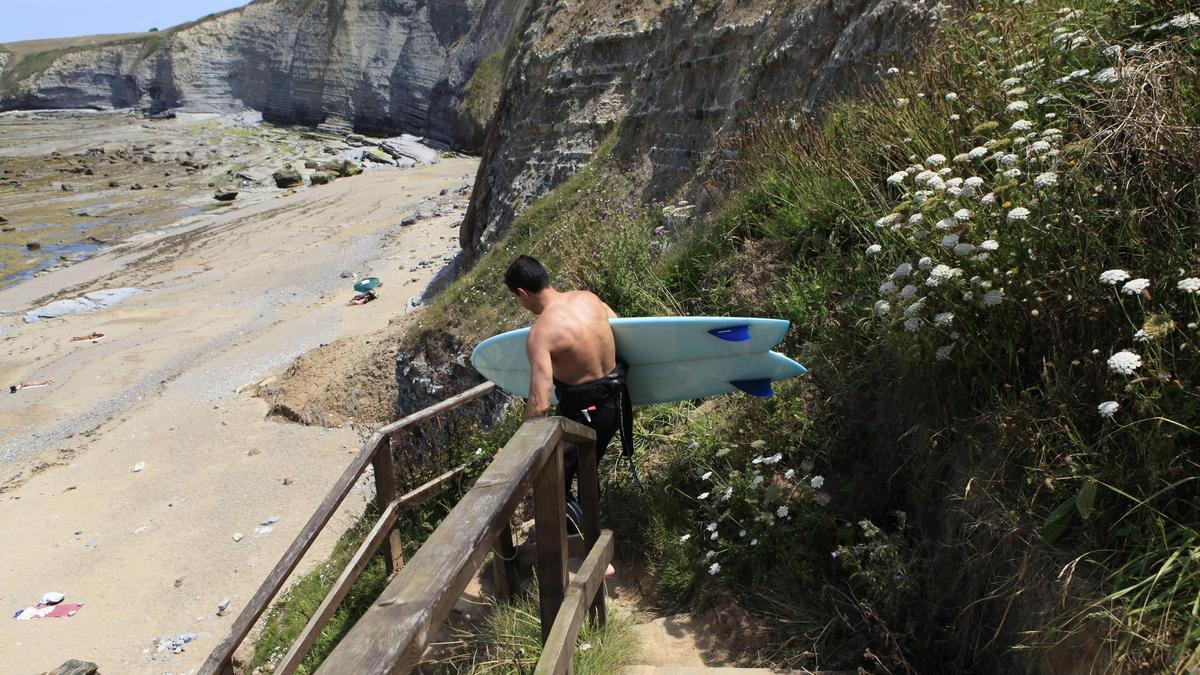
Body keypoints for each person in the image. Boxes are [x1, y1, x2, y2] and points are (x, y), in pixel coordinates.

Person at [504, 255, 633, 534]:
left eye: (517, 299)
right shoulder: (589, 299)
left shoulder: (541, 334)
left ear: (523, 293)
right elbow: (625, 329)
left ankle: (591, 549)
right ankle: (589, 534)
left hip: (587, 411)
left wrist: (522, 446)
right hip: (619, 401)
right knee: (585, 469)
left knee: (555, 479)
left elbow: (539, 404)